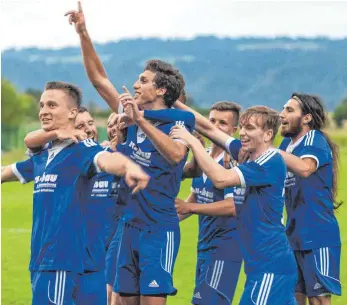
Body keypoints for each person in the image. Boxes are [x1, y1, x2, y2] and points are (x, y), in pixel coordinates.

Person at [65, 3, 195, 305]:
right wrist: (83, 32)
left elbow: (177, 156)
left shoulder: (182, 121)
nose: (136, 84)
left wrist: (140, 122)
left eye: (144, 80)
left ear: (162, 90)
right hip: (127, 227)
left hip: (158, 230)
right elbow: (99, 79)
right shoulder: (130, 113)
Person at [1, 81, 150, 305]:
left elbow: (106, 159)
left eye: (52, 105)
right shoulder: (43, 156)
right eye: (42, 105)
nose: (43, 111)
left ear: (72, 112)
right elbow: (7, 171)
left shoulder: (82, 151)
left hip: (60, 262)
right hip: (47, 262)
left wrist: (128, 167)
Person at [170, 106, 298, 305]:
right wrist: (176, 101)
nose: (243, 133)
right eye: (243, 127)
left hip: (270, 268)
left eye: (251, 128)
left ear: (267, 135)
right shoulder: (246, 154)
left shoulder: (269, 161)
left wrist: (193, 142)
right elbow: (210, 130)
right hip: (261, 266)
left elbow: (220, 179)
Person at [175, 101, 243, 305]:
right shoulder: (202, 156)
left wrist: (190, 208)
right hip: (204, 244)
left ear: (234, 130)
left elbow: (232, 207)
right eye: (211, 120)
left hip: (225, 247)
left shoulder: (233, 162)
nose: (214, 126)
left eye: (222, 123)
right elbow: (196, 196)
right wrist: (167, 218)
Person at [278, 93, 342, 305]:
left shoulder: (314, 138)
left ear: (306, 118)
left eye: (289, 110)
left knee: (318, 300)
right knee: (294, 299)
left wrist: (265, 149)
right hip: (293, 235)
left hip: (318, 235)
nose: (282, 114)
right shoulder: (286, 145)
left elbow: (306, 168)